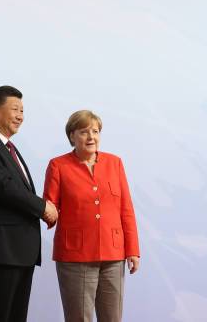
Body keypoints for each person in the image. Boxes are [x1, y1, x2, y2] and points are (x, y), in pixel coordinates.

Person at [0, 86, 58, 322]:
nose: (20, 116)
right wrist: (43, 207)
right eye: (15, 109)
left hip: (18, 252)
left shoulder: (8, 148)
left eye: (23, 111)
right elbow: (5, 188)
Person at [43, 110, 140, 322]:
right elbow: (50, 209)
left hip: (113, 254)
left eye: (95, 131)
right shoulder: (58, 165)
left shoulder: (115, 163)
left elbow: (126, 209)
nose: (91, 137)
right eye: (84, 132)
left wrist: (132, 249)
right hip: (76, 255)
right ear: (71, 136)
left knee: (112, 318)